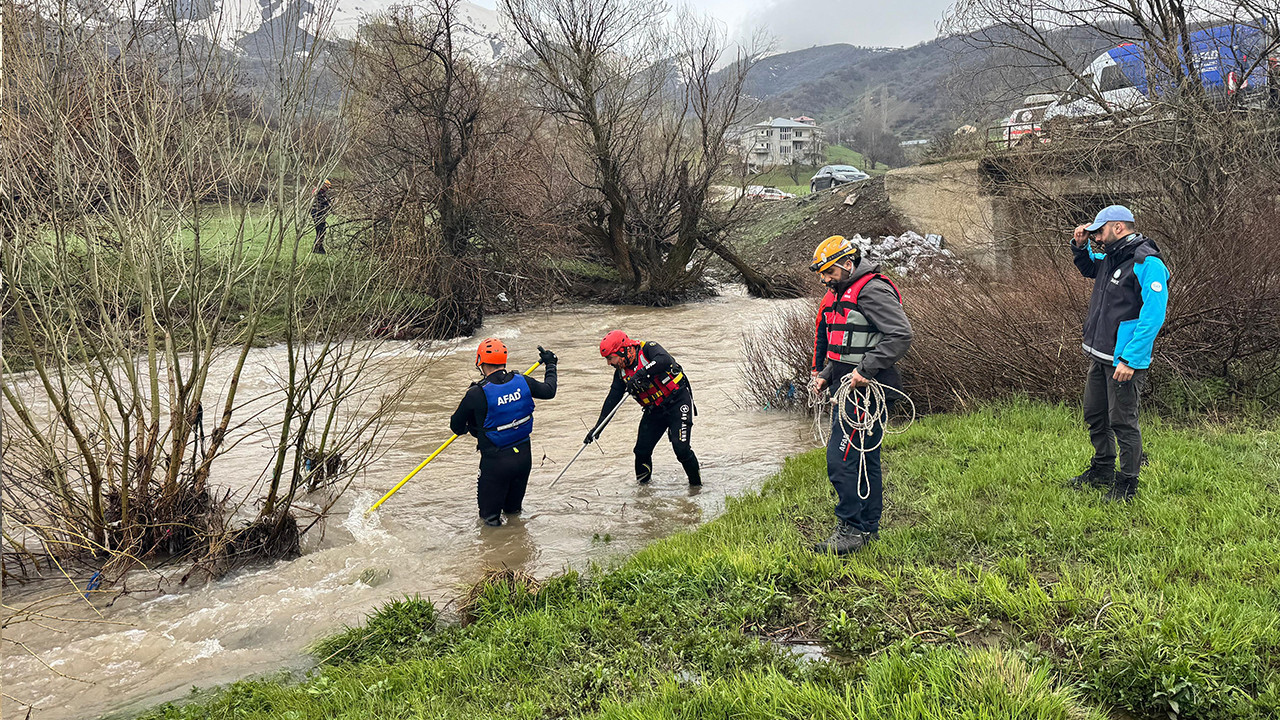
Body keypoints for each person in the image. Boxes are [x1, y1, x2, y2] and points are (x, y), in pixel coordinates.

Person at [809, 235, 912, 554]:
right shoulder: (842, 292)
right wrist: (826, 375)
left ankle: (850, 530)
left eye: (828, 272)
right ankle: (867, 529)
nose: (824, 279)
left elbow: (901, 335)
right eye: (822, 273)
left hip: (867, 391)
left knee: (841, 461)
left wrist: (865, 370)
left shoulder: (872, 290)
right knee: (865, 460)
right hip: (848, 387)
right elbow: (843, 349)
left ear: (847, 264)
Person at [1067, 205, 1169, 502]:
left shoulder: (1146, 263)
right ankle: (1102, 469)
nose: (1097, 237)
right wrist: (1079, 243)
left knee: (1123, 421)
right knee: (1095, 415)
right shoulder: (1112, 259)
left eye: (1100, 231)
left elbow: (1153, 317)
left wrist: (1131, 359)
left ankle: (1127, 484)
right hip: (1100, 356)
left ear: (1118, 228)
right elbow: (1088, 266)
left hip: (1123, 361)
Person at [450, 338, 558, 526]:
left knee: (490, 521)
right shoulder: (523, 381)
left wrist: (472, 427)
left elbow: (456, 427)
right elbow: (549, 390)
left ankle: (497, 553)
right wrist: (550, 364)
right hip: (523, 458)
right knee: (514, 513)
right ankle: (519, 549)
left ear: (480, 362)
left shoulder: (476, 393)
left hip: (495, 464)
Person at [587, 331, 700, 486]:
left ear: (623, 350)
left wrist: (642, 374)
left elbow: (665, 360)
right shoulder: (620, 374)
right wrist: (598, 428)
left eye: (610, 358)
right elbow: (611, 401)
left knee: (681, 450)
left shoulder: (648, 349)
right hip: (654, 411)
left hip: (677, 402)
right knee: (641, 452)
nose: (609, 363)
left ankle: (696, 490)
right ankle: (643, 494)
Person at [311, 179, 332, 254]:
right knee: (321, 231)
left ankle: (319, 248)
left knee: (320, 231)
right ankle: (317, 248)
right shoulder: (320, 192)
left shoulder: (315, 191)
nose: (327, 190)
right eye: (326, 188)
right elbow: (328, 204)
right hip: (319, 213)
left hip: (314, 213)